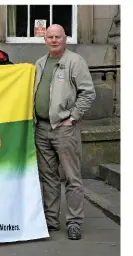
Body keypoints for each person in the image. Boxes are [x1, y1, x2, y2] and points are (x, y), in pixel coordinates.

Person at [33, 24, 96, 240]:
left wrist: (73, 117)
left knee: (71, 178)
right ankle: (51, 220)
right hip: (41, 128)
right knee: (48, 177)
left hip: (64, 129)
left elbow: (88, 93)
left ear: (65, 39)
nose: (53, 40)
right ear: (45, 40)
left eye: (57, 37)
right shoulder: (40, 63)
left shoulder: (75, 62)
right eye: (49, 37)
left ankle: (74, 222)